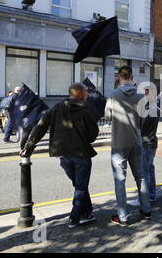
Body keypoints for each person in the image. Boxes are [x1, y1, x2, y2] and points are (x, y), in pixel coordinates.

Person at [20, 83, 99, 229]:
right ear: (80, 94)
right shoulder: (85, 110)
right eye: (86, 92)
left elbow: (40, 126)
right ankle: (74, 218)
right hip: (81, 154)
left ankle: (87, 213)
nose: (87, 94)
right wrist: (84, 138)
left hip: (62, 154)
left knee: (79, 185)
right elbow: (94, 134)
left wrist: (30, 145)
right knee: (81, 187)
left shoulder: (56, 108)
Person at [105, 66, 151, 226]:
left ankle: (123, 217)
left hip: (119, 142)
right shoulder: (140, 95)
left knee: (120, 180)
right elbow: (144, 117)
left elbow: (108, 116)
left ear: (119, 77)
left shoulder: (113, 94)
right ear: (132, 76)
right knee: (141, 176)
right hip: (136, 140)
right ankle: (146, 209)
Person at [128, 87, 160, 206]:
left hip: (146, 143)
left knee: (144, 173)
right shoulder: (154, 108)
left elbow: (141, 128)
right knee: (150, 170)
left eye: (144, 94)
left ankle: (143, 199)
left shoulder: (147, 109)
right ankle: (151, 195)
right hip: (152, 142)